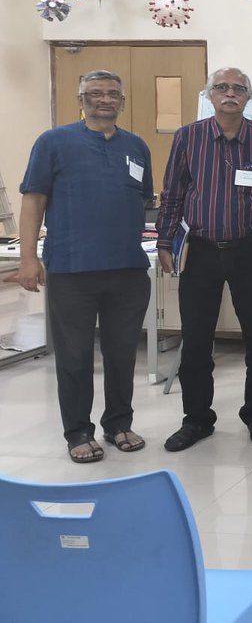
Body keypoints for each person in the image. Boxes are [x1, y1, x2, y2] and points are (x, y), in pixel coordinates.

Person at [8, 71, 153, 463]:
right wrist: (27, 257)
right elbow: (33, 200)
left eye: (112, 94)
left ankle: (118, 422)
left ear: (122, 101)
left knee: (122, 353)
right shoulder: (53, 142)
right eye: (95, 93)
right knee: (73, 357)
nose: (104, 100)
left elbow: (141, 200)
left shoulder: (136, 147)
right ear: (81, 99)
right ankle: (77, 432)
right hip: (72, 269)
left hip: (127, 270)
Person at [157, 67, 252, 452]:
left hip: (251, 250)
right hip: (202, 252)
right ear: (210, 94)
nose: (231, 93)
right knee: (196, 342)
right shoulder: (188, 138)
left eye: (239, 88)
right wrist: (164, 241)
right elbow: (173, 194)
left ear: (248, 97)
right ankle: (197, 419)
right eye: (223, 88)